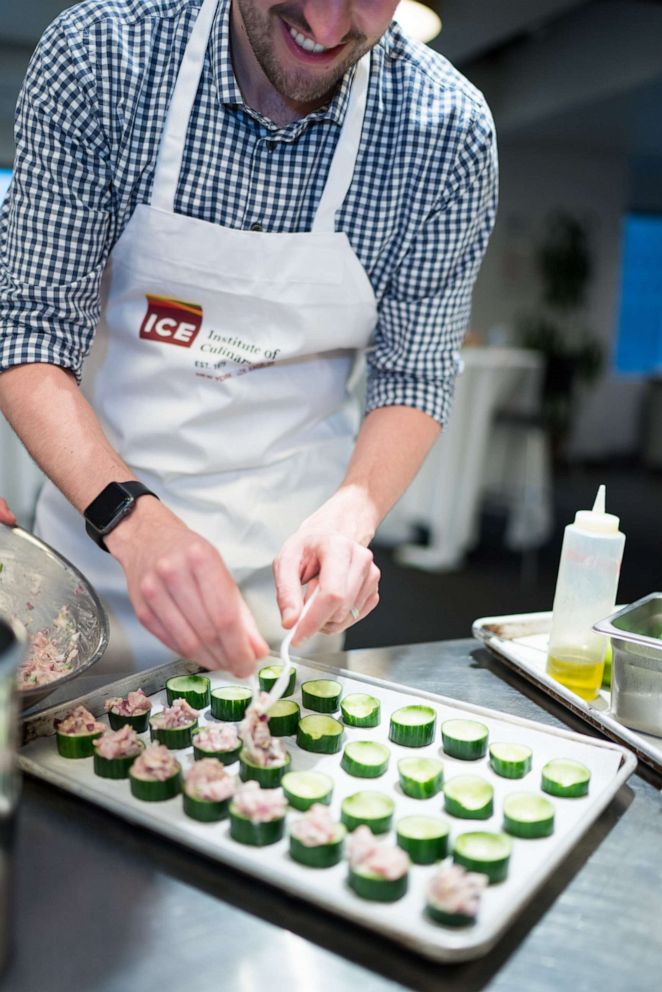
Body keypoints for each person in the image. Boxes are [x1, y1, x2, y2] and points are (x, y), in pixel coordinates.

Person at [0, 0, 497, 677]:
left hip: (293, 597)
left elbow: (414, 376)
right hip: (94, 570)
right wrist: (132, 521)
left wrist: (353, 513)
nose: (326, 29)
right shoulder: (103, 55)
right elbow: (29, 334)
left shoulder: (447, 133)